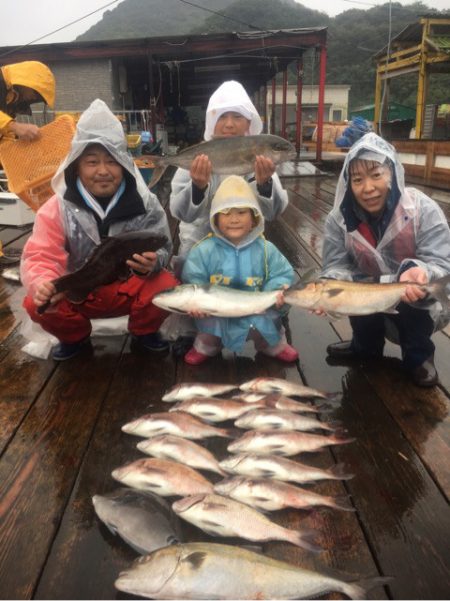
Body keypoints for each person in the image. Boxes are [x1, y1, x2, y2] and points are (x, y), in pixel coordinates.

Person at [20, 99, 178, 361]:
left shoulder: (146, 203)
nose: (103, 171)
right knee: (36, 301)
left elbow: (163, 245)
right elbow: (41, 256)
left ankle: (145, 331)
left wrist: (155, 261)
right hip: (78, 292)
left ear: (124, 165)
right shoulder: (56, 207)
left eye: (112, 162)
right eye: (92, 162)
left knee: (167, 284)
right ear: (76, 167)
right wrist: (43, 283)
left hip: (127, 288)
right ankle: (74, 337)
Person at [168, 80, 289, 354]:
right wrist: (197, 186)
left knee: (260, 272)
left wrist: (264, 184)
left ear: (250, 123)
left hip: (244, 244)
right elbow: (180, 212)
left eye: (238, 117)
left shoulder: (259, 158)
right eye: (223, 116)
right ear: (212, 121)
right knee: (189, 270)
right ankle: (191, 329)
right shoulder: (200, 155)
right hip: (201, 244)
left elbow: (274, 211)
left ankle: (265, 322)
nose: (230, 124)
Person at [320, 132, 450, 387]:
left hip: (413, 293)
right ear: (348, 183)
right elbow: (335, 265)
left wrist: (420, 271)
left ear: (392, 173)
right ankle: (364, 346)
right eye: (357, 179)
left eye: (376, 175)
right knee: (355, 292)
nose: (368, 188)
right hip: (367, 287)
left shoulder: (422, 209)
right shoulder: (338, 220)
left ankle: (419, 357)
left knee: (414, 294)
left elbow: (443, 261)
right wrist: (329, 289)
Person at [181, 175, 298, 366]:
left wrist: (276, 290)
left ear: (254, 218)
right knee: (209, 326)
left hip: (259, 308)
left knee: (270, 321)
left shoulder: (267, 249)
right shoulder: (203, 250)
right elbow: (193, 279)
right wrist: (195, 303)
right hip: (218, 312)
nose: (234, 219)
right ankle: (206, 346)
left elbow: (282, 273)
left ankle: (273, 345)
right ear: (215, 219)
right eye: (226, 213)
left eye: (242, 212)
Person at [0, 60, 56, 266]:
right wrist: (14, 126)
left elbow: (3, 139)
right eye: (35, 95)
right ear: (28, 83)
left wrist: (16, 161)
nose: (32, 100)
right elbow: (7, 127)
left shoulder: (10, 98)